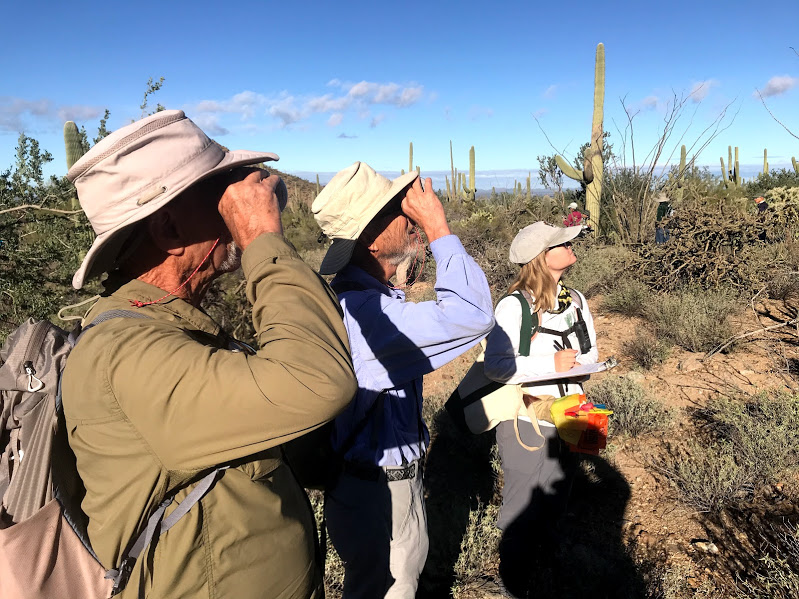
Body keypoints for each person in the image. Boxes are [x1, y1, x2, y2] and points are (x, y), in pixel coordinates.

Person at [61, 110, 357, 599]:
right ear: (170, 230)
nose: (233, 205)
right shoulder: (125, 355)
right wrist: (263, 236)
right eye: (217, 193)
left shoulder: (168, 323)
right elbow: (317, 378)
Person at [312, 162, 495, 598]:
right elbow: (472, 315)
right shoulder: (369, 315)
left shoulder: (356, 300)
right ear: (372, 239)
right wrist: (436, 225)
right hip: (381, 496)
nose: (410, 216)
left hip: (371, 488)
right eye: (399, 211)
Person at [483, 221, 598, 597]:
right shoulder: (514, 306)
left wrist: (588, 365)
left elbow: (589, 352)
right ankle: (513, 584)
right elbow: (497, 367)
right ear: (541, 258)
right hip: (526, 419)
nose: (571, 246)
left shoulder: (577, 301)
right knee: (521, 506)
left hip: (573, 411)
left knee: (557, 499)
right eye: (561, 244)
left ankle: (545, 579)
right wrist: (552, 366)